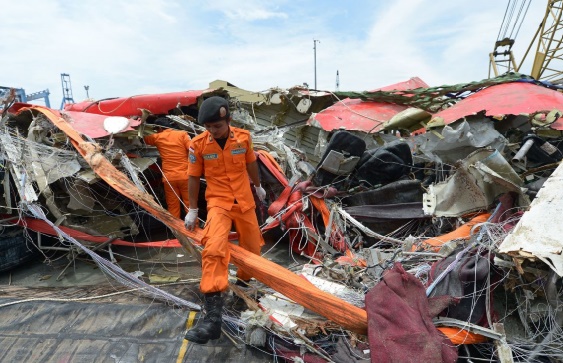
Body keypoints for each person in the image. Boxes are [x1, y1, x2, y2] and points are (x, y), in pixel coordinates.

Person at [184, 96, 266, 344]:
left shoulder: (243, 138)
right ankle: (213, 319)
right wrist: (193, 209)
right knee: (213, 249)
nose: (212, 131)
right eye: (208, 127)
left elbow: (251, 163)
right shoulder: (198, 145)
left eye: (217, 126)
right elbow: (193, 177)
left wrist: (258, 186)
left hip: (244, 202)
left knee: (252, 250)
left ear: (228, 120)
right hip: (218, 203)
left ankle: (243, 289)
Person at [143, 117, 191, 219]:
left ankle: (177, 231)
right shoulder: (182, 134)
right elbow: (192, 148)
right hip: (185, 176)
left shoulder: (157, 137)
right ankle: (194, 229)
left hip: (169, 179)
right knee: (190, 205)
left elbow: (143, 139)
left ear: (160, 128)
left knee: (173, 206)